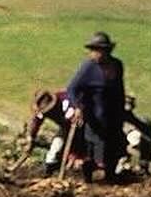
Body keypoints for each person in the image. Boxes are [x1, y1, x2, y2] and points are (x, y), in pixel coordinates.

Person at [64, 31, 127, 184]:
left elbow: (119, 89)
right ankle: (89, 180)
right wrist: (77, 107)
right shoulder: (88, 68)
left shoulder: (117, 65)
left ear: (107, 51)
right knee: (92, 152)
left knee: (113, 150)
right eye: (93, 50)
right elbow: (72, 88)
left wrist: (123, 110)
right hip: (95, 118)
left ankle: (110, 179)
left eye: (98, 50)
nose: (95, 54)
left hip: (114, 117)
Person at [25, 87, 74, 174]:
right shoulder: (42, 110)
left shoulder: (66, 99)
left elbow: (73, 118)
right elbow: (36, 122)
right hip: (65, 128)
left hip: (80, 124)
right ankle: (50, 169)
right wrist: (30, 138)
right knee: (53, 152)